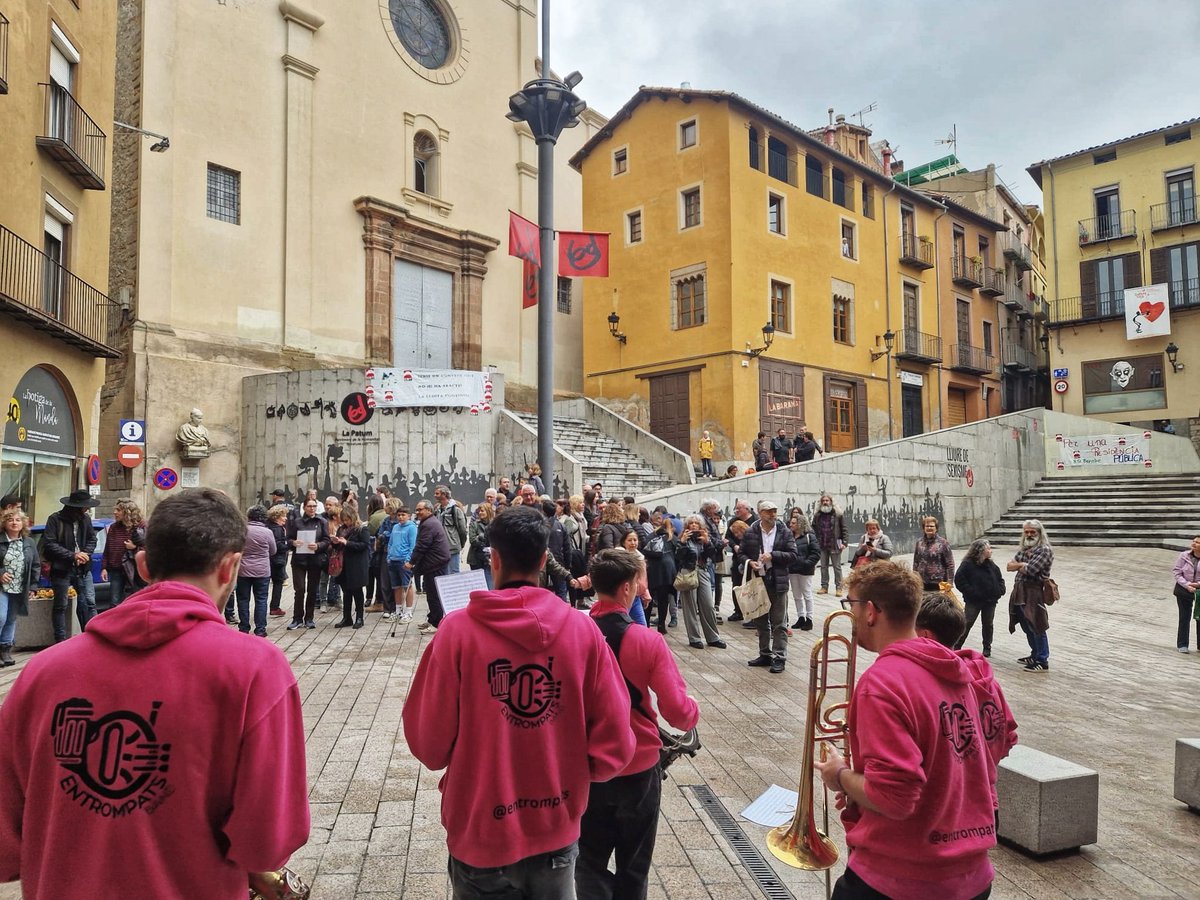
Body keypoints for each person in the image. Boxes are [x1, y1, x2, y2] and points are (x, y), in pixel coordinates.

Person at [0, 487, 309, 898]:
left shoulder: (43, 672)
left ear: (143, 565)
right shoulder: (254, 670)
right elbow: (267, 841)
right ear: (229, 568)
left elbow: (5, 845)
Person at [402, 506, 635, 898]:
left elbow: (428, 744)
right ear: (545, 561)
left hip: (480, 828)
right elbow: (615, 740)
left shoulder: (456, 633)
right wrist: (569, 773)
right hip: (556, 825)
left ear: (493, 559)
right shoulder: (583, 630)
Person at [814, 561, 1017, 900]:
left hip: (901, 878)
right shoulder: (955, 666)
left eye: (850, 605)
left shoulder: (882, 682)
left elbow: (894, 798)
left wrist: (842, 776)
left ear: (871, 611)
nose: (848, 615)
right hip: (971, 874)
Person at [577, 549, 700, 899]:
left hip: (587, 763)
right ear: (628, 588)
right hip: (638, 765)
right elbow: (677, 712)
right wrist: (694, 708)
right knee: (634, 865)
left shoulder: (575, 633)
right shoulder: (648, 640)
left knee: (587, 861)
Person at [740, 500, 798, 673]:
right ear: (760, 513)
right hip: (758, 581)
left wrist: (772, 555)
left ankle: (779, 657)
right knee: (760, 620)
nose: (772, 514)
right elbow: (741, 553)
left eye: (774, 511)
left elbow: (793, 555)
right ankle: (765, 654)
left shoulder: (784, 531)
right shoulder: (751, 531)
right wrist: (750, 562)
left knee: (779, 622)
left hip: (778, 581)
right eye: (768, 511)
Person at [42, 490, 99, 643]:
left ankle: (89, 639)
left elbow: (92, 539)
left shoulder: (85, 519)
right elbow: (50, 544)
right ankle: (60, 641)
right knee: (61, 605)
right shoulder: (55, 519)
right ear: (76, 507)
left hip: (82, 568)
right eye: (85, 507)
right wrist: (72, 555)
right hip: (61, 569)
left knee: (85, 602)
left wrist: (85, 554)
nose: (87, 509)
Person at [1007, 519, 1054, 672]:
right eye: (1026, 532)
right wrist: (1021, 565)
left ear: (1039, 533)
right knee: (1026, 625)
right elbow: (1009, 566)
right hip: (1020, 590)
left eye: (1032, 532)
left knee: (1037, 624)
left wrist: (1019, 565)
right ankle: (1035, 654)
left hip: (1034, 591)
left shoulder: (1044, 550)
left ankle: (1042, 660)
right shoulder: (1024, 548)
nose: (1029, 534)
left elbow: (1032, 570)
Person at [673, 515, 725, 651]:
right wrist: (683, 542)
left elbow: (713, 555)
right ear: (687, 526)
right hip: (688, 572)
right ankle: (694, 638)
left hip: (703, 571)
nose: (694, 525)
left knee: (708, 604)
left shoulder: (705, 537)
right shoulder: (682, 538)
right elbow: (678, 557)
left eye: (697, 523)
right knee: (689, 606)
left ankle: (713, 637)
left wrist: (707, 542)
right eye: (691, 523)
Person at [953, 539, 1006, 658]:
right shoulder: (967, 564)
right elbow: (959, 580)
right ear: (981, 550)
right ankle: (957, 645)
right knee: (967, 622)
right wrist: (972, 593)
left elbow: (999, 578)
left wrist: (1000, 590)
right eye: (988, 548)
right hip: (974, 601)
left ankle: (987, 647)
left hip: (990, 601)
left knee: (988, 624)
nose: (990, 551)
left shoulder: (991, 564)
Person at [407, 499, 451, 634]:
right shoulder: (429, 522)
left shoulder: (429, 525)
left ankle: (437, 623)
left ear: (429, 510)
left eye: (420, 510)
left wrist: (411, 562)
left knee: (434, 594)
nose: (417, 512)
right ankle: (432, 619)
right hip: (434, 563)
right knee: (431, 594)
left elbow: (422, 546)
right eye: (417, 509)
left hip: (435, 564)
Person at [0, 509, 37, 666]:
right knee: (0, 616)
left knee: (11, 618)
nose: (14, 523)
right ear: (5, 523)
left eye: (18, 520)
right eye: (10, 520)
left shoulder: (29, 543)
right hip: (2, 586)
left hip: (20, 586)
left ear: (23, 524)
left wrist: (33, 586)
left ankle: (5, 650)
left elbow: (36, 565)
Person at [286, 496, 329, 630]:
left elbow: (327, 540)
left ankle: (309, 618)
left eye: (314, 506)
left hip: (315, 560)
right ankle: (297, 618)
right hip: (299, 560)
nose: (312, 509)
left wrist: (318, 545)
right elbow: (287, 539)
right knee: (299, 589)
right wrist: (293, 542)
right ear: (304, 507)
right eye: (309, 506)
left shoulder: (322, 521)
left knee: (312, 590)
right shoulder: (297, 522)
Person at [236, 507, 276, 637]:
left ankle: (243, 628)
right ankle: (260, 629)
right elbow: (273, 550)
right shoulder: (267, 532)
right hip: (262, 571)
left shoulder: (242, 531)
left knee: (243, 599)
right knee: (261, 599)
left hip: (243, 570)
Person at [100, 499, 147, 607]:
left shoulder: (141, 527)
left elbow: (150, 548)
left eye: (118, 510)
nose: (115, 512)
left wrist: (134, 547)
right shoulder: (114, 527)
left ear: (127, 512)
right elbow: (107, 548)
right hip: (116, 569)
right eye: (115, 510)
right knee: (114, 602)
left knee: (133, 601)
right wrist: (104, 567)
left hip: (135, 571)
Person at [332, 506, 371, 629]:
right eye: (343, 520)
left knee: (357, 591)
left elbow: (364, 545)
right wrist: (335, 542)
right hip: (343, 565)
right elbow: (337, 548)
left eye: (347, 519)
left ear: (353, 517)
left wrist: (347, 543)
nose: (345, 522)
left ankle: (359, 617)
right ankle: (347, 617)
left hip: (356, 565)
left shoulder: (361, 529)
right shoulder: (341, 529)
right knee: (346, 592)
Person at [642, 516, 679, 635]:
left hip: (651, 571)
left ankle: (646, 624)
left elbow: (644, 548)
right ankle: (661, 625)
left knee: (649, 599)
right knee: (664, 600)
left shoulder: (651, 535)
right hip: (667, 572)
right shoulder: (672, 538)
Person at [787, 510, 821, 631]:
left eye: (793, 523)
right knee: (796, 595)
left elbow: (816, 553)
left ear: (800, 524)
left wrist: (807, 564)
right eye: (791, 523)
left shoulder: (809, 536)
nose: (791, 525)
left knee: (807, 594)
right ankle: (800, 617)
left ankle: (809, 618)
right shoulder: (789, 536)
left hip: (805, 570)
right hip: (792, 569)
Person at [386, 504, 418, 623]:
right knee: (396, 587)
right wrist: (389, 556)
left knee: (407, 586)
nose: (400, 517)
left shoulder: (412, 527)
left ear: (409, 516)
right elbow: (391, 543)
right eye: (399, 515)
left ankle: (408, 612)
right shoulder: (395, 527)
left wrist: (409, 560)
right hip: (393, 560)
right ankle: (398, 610)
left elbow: (413, 545)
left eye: (403, 515)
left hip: (404, 561)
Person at [812, 493, 848, 598]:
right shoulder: (817, 515)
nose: (825, 502)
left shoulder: (838, 514)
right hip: (822, 544)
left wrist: (844, 542)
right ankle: (824, 586)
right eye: (823, 501)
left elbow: (844, 529)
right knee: (823, 567)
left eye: (827, 500)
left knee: (837, 567)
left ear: (831, 502)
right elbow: (813, 529)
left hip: (835, 544)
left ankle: (839, 587)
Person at [1172, 535, 1200, 653]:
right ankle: (1182, 644)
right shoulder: (1184, 555)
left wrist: (1197, 584)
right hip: (1184, 589)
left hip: (1199, 590)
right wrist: (1187, 585)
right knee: (1184, 617)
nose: (1193, 544)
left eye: (1197, 542)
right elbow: (1177, 572)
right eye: (1193, 541)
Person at [913, 516, 955, 591]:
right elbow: (916, 562)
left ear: (936, 528)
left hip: (938, 582)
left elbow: (950, 564)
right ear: (923, 528)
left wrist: (950, 582)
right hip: (922, 582)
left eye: (932, 526)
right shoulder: (919, 542)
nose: (929, 528)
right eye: (927, 526)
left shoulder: (943, 543)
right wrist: (914, 578)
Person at [434, 485, 469, 575]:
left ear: (444, 495)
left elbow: (462, 530)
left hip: (452, 546)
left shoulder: (456, 510)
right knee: (443, 573)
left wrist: (459, 544)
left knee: (454, 572)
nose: (435, 495)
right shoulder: (437, 510)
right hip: (440, 547)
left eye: (437, 493)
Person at [265, 504, 290, 617]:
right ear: (277, 517)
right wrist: (290, 545)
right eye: (283, 516)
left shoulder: (268, 526)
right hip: (277, 560)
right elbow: (278, 545)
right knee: (278, 583)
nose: (285, 518)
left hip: (268, 559)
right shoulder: (278, 529)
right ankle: (275, 607)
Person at [467, 501, 495, 590]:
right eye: (479, 511)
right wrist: (482, 537)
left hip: (490, 559)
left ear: (488, 511)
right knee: (478, 587)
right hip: (476, 558)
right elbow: (472, 540)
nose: (480, 513)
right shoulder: (474, 524)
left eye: (482, 511)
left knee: (489, 585)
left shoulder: (495, 524)